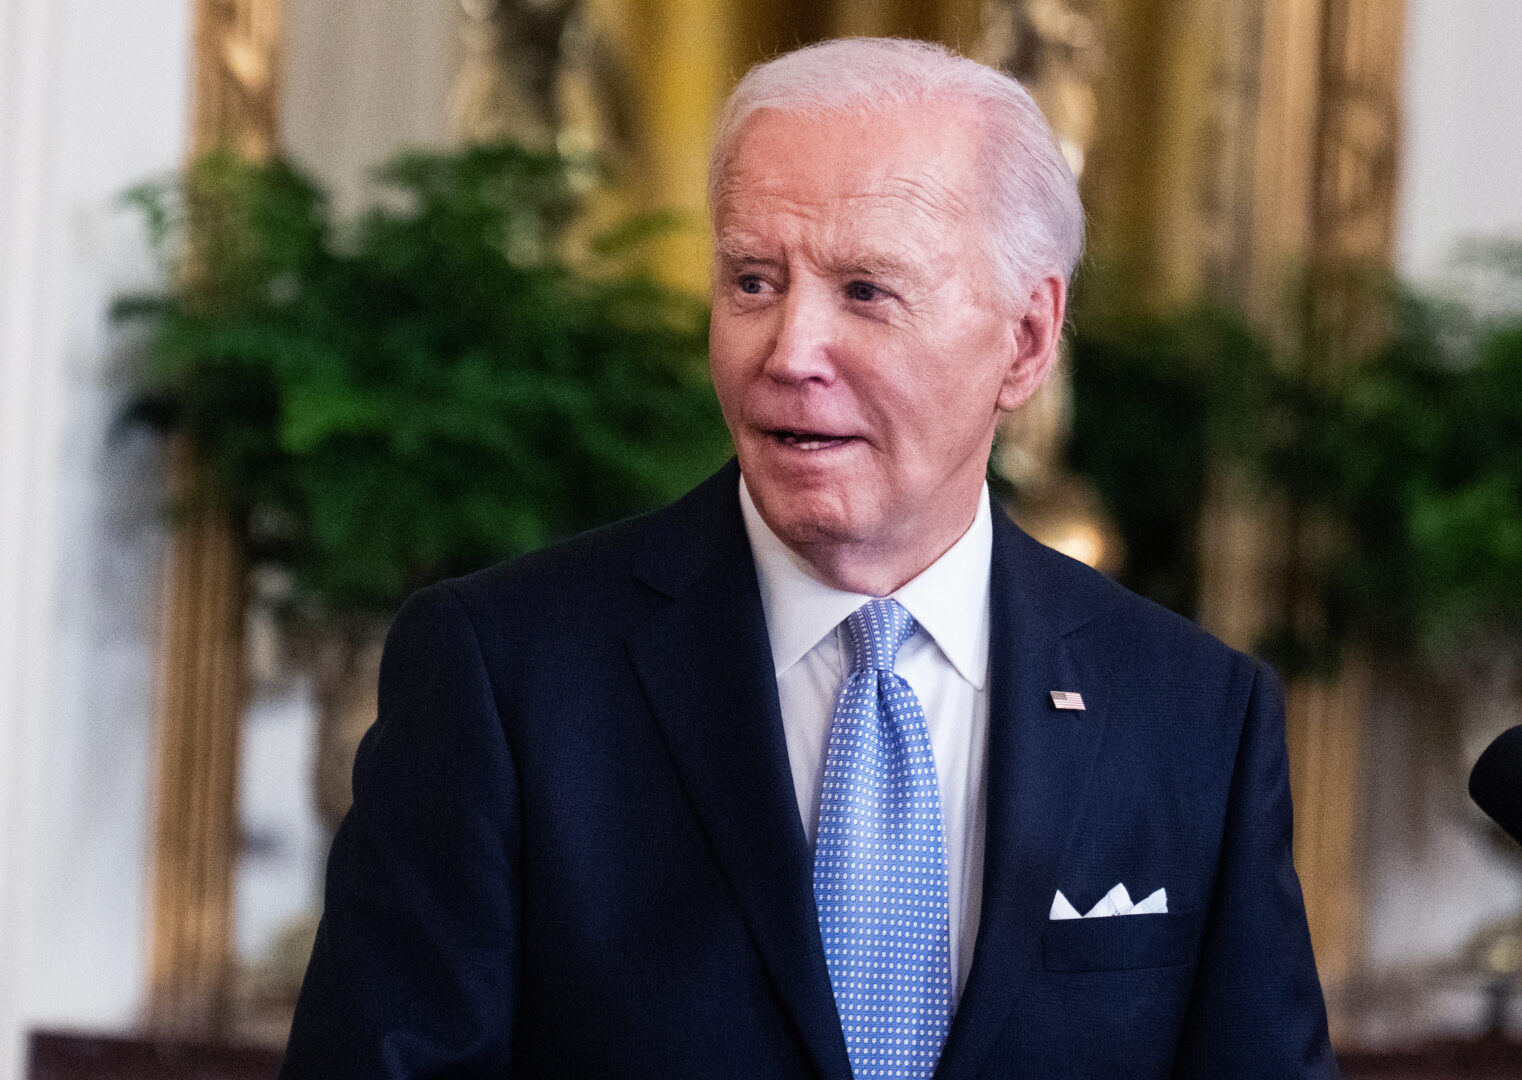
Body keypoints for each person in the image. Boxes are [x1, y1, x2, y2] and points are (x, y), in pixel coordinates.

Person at [281, 37, 1338, 1079]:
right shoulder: (503, 676)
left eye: (865, 291)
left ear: (1023, 341)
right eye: (751, 281)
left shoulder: (1194, 715)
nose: (787, 352)